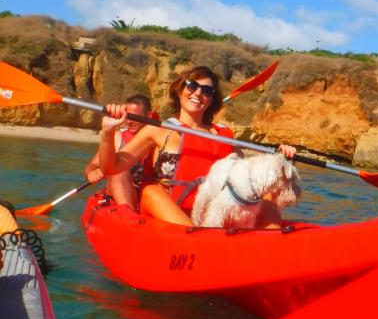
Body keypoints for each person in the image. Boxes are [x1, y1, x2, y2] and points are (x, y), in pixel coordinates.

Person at [98, 65, 296, 227]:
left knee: (267, 197)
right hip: (172, 216)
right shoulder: (157, 130)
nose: (198, 93)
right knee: (151, 191)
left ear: (211, 100)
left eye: (207, 91)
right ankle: (196, 240)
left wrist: (279, 159)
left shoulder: (224, 135)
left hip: (214, 215)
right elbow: (111, 168)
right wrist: (107, 133)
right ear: (180, 89)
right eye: (192, 85)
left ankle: (271, 243)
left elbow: (252, 177)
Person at [85, 94, 155, 210]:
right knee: (117, 170)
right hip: (120, 193)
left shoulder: (157, 138)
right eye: (127, 116)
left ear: (148, 116)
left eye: (134, 117)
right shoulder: (117, 138)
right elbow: (91, 166)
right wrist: (91, 173)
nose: (129, 121)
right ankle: (127, 215)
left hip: (146, 196)